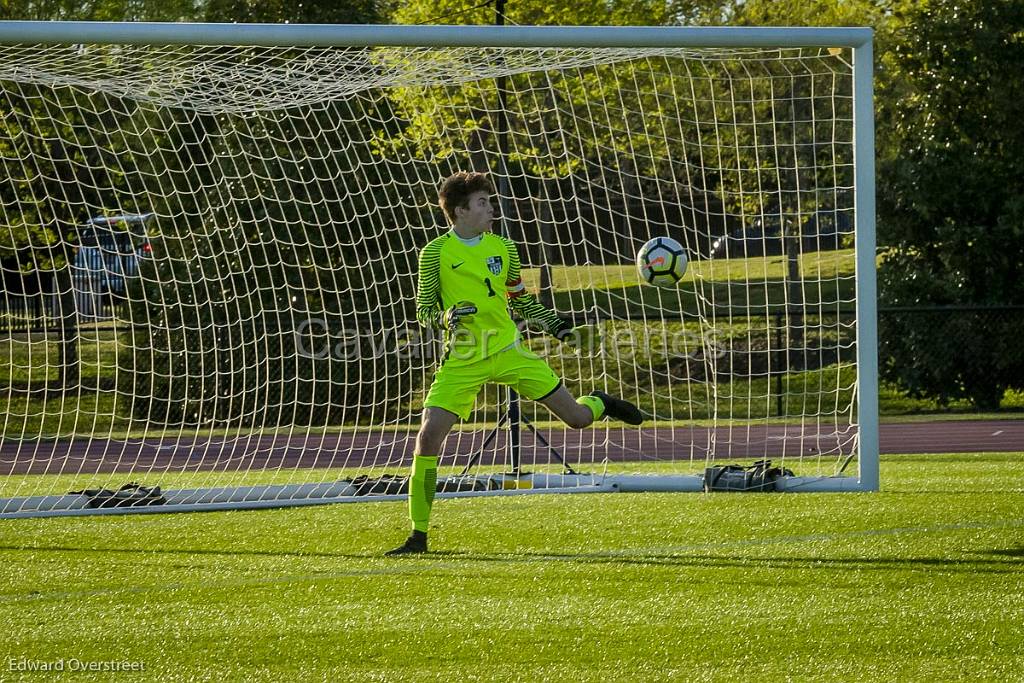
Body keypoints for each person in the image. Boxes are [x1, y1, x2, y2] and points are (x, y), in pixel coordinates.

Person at [386, 171, 643, 556]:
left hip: (509, 351)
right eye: (482, 202)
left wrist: (558, 327)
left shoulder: (504, 248)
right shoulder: (435, 253)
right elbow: (424, 309)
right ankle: (417, 536)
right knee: (426, 440)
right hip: (464, 359)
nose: (492, 208)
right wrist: (445, 316)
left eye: (490, 201)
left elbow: (520, 299)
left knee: (577, 419)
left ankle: (600, 402)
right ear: (459, 211)